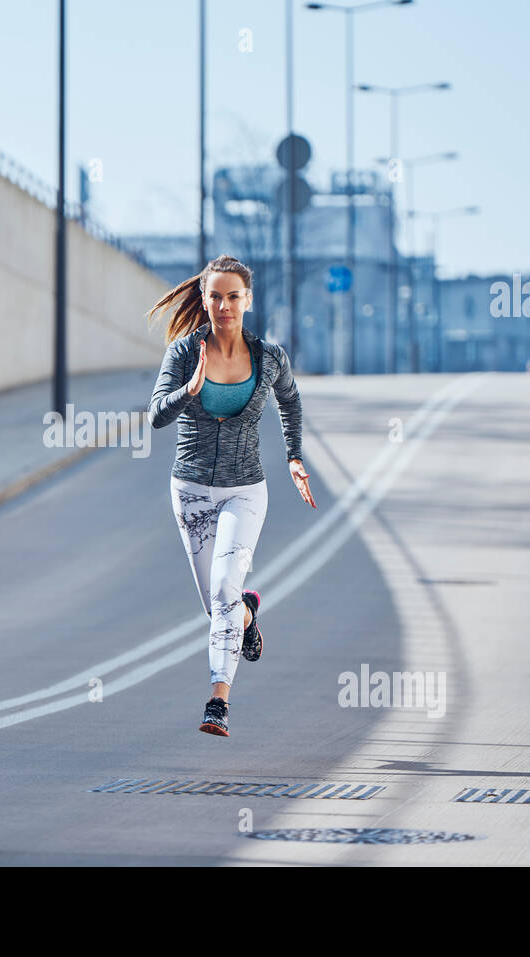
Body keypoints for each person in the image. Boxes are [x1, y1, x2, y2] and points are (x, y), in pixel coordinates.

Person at [145, 255, 315, 737]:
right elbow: (156, 414)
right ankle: (247, 613)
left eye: (233, 296)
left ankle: (218, 701)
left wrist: (294, 456)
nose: (224, 305)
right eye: (215, 296)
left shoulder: (269, 358)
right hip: (192, 491)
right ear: (204, 299)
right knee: (217, 604)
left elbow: (290, 400)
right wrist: (189, 390)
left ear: (248, 300)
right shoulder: (183, 354)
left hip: (245, 491)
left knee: (223, 589)